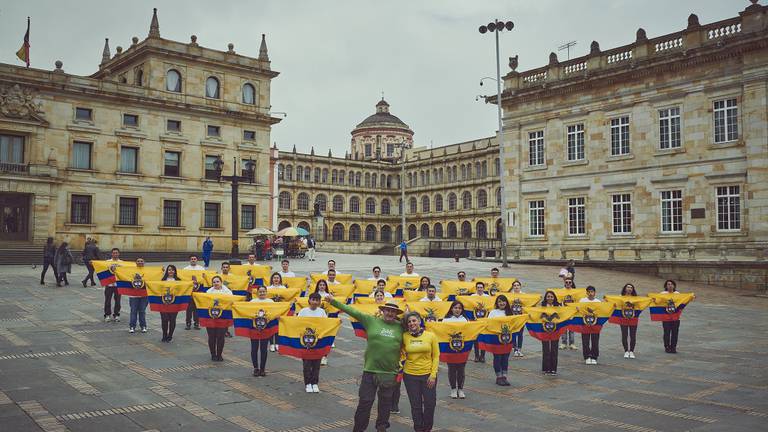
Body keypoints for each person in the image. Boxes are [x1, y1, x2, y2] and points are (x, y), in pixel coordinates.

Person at [327, 294, 404, 432]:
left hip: (389, 373)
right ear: (383, 310)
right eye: (388, 310)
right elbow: (352, 311)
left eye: (393, 312)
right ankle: (358, 429)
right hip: (370, 371)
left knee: (385, 404)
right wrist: (334, 302)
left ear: (397, 314)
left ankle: (381, 427)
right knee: (365, 402)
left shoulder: (401, 327)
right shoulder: (371, 320)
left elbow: (417, 326)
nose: (390, 313)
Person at [401, 311, 439, 431]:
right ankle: (418, 428)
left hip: (428, 376)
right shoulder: (404, 336)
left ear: (419, 321)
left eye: (414, 320)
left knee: (430, 404)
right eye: (409, 322)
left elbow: (436, 356)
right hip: (410, 376)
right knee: (415, 405)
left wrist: (433, 375)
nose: (412, 323)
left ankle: (427, 428)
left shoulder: (430, 335)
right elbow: (400, 353)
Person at [298, 292, 328, 393]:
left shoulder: (322, 312)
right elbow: (297, 324)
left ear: (319, 302)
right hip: (305, 342)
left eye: (317, 300)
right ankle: (307, 383)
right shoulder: (303, 311)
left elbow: (326, 325)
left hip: (318, 342)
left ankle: (315, 383)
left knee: (316, 364)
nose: (315, 302)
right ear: (309, 300)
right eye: (313, 300)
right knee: (307, 363)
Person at [443, 301, 468, 399]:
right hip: (450, 348)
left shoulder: (465, 320)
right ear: (451, 309)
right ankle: (453, 389)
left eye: (459, 308)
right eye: (455, 308)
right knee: (452, 369)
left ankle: (460, 389)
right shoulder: (446, 320)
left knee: (461, 369)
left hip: (462, 348)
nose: (457, 310)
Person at [206, 275, 232, 361]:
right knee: (211, 336)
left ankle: (219, 354)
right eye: (214, 282)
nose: (216, 283)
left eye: (217, 281)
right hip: (211, 317)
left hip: (223, 317)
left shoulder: (228, 292)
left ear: (221, 282)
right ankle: (213, 354)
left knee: (220, 336)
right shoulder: (208, 292)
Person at [488, 295, 512, 386]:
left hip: (507, 339)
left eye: (503, 301)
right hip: (496, 339)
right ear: (497, 303)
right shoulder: (493, 312)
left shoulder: (510, 312)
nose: (502, 303)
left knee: (505, 358)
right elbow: (489, 324)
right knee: (497, 358)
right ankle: (498, 377)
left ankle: (504, 376)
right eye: (499, 302)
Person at [249, 285, 273, 376]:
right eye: (260, 291)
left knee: (264, 349)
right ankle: (255, 368)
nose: (262, 293)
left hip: (266, 328)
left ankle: (262, 368)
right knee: (254, 348)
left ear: (266, 292)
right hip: (254, 328)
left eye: (264, 291)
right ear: (257, 292)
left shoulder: (270, 302)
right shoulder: (252, 301)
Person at [579, 285, 602, 364]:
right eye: (588, 292)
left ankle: (594, 356)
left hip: (595, 324)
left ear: (595, 293)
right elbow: (579, 310)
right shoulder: (582, 301)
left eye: (592, 291)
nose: (590, 293)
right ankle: (587, 356)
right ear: (586, 293)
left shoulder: (598, 302)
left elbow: (602, 312)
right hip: (584, 323)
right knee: (585, 340)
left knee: (595, 340)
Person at [540, 290, 561, 375]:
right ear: (545, 298)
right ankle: (546, 368)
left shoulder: (558, 306)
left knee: (554, 349)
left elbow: (562, 316)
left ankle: (553, 369)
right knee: (546, 349)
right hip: (544, 330)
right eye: (548, 296)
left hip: (555, 330)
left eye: (551, 296)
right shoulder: (542, 306)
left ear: (554, 298)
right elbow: (537, 316)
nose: (550, 298)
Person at [127, 257, 149, 334]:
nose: (140, 262)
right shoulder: (131, 271)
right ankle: (132, 326)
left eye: (141, 261)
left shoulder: (148, 271)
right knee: (133, 311)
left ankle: (143, 326)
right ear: (135, 263)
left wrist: (161, 271)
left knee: (142, 311)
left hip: (144, 295)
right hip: (133, 295)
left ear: (144, 262)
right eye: (138, 261)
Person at [160, 265, 181, 342]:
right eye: (169, 270)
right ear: (167, 271)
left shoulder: (179, 280)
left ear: (175, 271)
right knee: (164, 319)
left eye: (172, 270)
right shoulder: (162, 280)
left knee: (172, 320)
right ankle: (164, 334)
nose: (171, 271)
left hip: (175, 303)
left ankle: (170, 335)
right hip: (163, 303)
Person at [184, 255, 205, 330]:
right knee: (188, 308)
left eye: (194, 259)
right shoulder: (185, 269)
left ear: (197, 260)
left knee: (197, 308)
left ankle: (197, 323)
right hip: (189, 292)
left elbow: (205, 279)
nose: (193, 260)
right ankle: (188, 323)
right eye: (192, 259)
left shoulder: (201, 269)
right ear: (189, 260)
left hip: (198, 291)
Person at [661, 279, 681, 354]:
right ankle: (667, 346)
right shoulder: (663, 293)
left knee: (675, 332)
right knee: (666, 332)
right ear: (666, 286)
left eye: (671, 284)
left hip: (675, 316)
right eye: (668, 284)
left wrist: (691, 297)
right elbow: (658, 301)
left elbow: (683, 301)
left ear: (674, 285)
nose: (670, 285)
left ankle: (673, 347)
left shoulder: (677, 294)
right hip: (666, 316)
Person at [103, 248, 123, 322]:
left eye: (116, 253)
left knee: (118, 301)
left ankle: (116, 314)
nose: (115, 254)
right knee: (107, 300)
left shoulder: (122, 263)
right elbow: (101, 268)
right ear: (111, 254)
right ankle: (107, 314)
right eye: (114, 253)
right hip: (109, 284)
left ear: (119, 254)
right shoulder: (107, 262)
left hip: (118, 284)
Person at [620, 283, 639, 359]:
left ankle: (631, 351)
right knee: (624, 335)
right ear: (625, 288)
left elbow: (640, 306)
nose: (629, 288)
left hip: (633, 318)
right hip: (623, 318)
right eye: (628, 287)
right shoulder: (620, 297)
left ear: (633, 289)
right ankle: (626, 351)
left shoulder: (636, 298)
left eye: (631, 287)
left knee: (633, 335)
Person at [559, 277, 578, 350]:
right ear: (564, 283)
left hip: (572, 312)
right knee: (563, 328)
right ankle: (563, 343)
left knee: (572, 329)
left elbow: (577, 300)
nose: (568, 284)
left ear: (572, 283)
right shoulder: (560, 291)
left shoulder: (575, 292)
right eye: (566, 282)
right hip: (563, 312)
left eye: (569, 282)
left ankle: (572, 343)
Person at [471, 282, 488, 363]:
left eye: (481, 287)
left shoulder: (487, 297)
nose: (480, 289)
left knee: (483, 338)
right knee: (476, 339)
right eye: (478, 287)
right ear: (476, 288)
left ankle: (483, 355)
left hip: (484, 320)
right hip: (475, 320)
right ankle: (476, 355)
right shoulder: (472, 297)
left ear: (483, 288)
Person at [510, 280, 525, 357]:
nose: (516, 287)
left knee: (520, 334)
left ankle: (519, 349)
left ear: (520, 286)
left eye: (517, 285)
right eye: (515, 285)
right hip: (513, 318)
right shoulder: (510, 295)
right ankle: (515, 349)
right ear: (513, 287)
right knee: (513, 334)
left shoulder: (524, 295)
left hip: (521, 317)